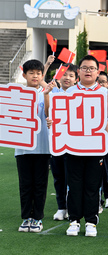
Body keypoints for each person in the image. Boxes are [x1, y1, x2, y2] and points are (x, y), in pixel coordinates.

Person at [64, 55, 108, 237]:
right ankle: (74, 220)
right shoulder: (68, 92)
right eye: (85, 68)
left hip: (96, 147)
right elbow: (62, 118)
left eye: (92, 68)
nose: (88, 71)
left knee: (92, 185)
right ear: (79, 71)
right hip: (73, 146)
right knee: (74, 185)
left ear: (98, 72)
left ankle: (91, 221)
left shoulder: (105, 93)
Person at [16, 60, 50, 233]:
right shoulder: (16, 94)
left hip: (43, 146)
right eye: (31, 73)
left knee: (40, 184)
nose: (35, 76)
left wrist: (46, 96)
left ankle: (37, 218)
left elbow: (49, 114)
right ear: (24, 75)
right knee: (25, 184)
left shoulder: (47, 93)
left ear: (42, 75)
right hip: (21, 148)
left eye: (38, 73)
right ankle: (26, 218)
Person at [43, 63, 78, 221]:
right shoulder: (54, 92)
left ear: (76, 79)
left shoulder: (79, 94)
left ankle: (72, 207)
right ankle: (61, 207)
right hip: (57, 142)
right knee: (59, 177)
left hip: (75, 142)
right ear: (59, 76)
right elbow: (48, 112)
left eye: (71, 76)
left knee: (73, 177)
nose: (67, 78)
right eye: (65, 74)